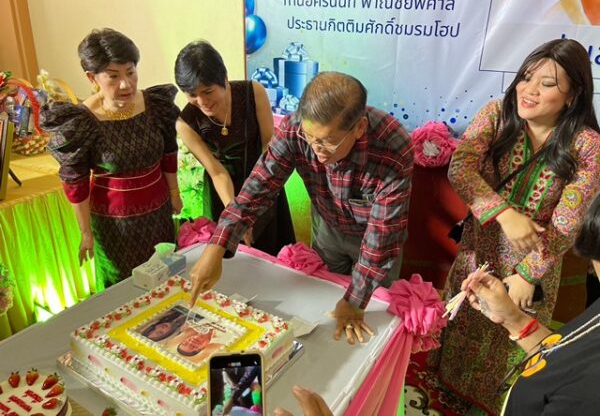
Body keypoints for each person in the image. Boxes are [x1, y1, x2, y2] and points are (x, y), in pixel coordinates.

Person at [432, 38, 600, 414]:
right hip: (479, 248)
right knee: (463, 325)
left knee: (515, 339)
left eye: (547, 83)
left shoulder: (587, 145)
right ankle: (451, 398)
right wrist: (504, 214)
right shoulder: (497, 114)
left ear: (573, 95)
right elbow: (461, 167)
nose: (529, 90)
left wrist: (528, 274)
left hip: (536, 261)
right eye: (526, 77)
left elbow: (569, 221)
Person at [189, 71, 414, 344]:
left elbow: (382, 237)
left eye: (328, 141)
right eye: (310, 138)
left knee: (370, 322)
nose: (317, 149)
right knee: (323, 307)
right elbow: (257, 188)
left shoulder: (392, 145)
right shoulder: (295, 129)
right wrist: (216, 246)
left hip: (376, 239)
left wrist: (355, 301)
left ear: (359, 128)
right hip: (327, 228)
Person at [41, 28, 181, 286]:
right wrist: (85, 232)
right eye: (113, 76)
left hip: (159, 213)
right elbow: (76, 183)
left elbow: (169, 153)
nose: (125, 84)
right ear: (92, 77)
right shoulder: (82, 120)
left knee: (163, 277)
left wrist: (174, 194)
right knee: (122, 286)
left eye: (131, 72)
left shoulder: (155, 104)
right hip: (115, 224)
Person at [459, 190, 600, 415]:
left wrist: (528, 274)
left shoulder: (588, 396)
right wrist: (512, 318)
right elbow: (566, 354)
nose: (592, 265)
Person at [174, 40, 295, 256]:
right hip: (224, 193)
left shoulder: (253, 92)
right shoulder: (186, 123)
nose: (202, 101)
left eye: (208, 91)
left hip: (264, 180)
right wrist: (236, 216)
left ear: (224, 79)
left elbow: (268, 146)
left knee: (272, 252)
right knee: (233, 255)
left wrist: (257, 199)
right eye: (192, 94)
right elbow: (216, 171)